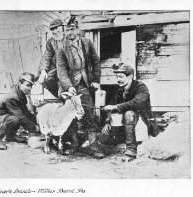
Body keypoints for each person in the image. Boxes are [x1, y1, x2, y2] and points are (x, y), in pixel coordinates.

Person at [56, 16, 104, 158]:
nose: (69, 33)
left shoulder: (87, 43)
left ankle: (94, 147)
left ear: (78, 29)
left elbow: (96, 62)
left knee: (89, 113)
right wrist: (69, 87)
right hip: (69, 87)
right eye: (67, 30)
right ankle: (74, 145)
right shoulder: (61, 50)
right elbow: (62, 72)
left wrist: (96, 79)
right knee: (70, 116)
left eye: (72, 29)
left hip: (84, 85)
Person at [100, 63, 156, 159]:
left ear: (130, 76)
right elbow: (113, 107)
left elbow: (137, 102)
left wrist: (116, 106)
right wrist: (107, 122)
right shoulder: (119, 89)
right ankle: (119, 142)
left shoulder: (141, 87)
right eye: (117, 77)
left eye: (121, 77)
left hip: (142, 121)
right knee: (102, 138)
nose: (118, 80)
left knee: (129, 114)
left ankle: (131, 149)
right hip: (125, 124)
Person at [0, 72, 40, 150]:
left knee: (15, 118)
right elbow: (21, 117)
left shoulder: (21, 95)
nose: (30, 88)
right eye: (28, 85)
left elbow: (26, 112)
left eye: (31, 86)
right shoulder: (12, 97)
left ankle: (11, 137)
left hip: (2, 119)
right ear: (20, 83)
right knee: (15, 119)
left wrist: (36, 122)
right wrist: (34, 127)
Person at [37, 18, 65, 98]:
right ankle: (59, 97)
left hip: (68, 69)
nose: (55, 31)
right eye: (52, 29)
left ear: (62, 28)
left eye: (56, 28)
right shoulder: (51, 42)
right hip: (56, 69)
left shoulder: (69, 39)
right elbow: (46, 56)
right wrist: (43, 70)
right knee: (46, 79)